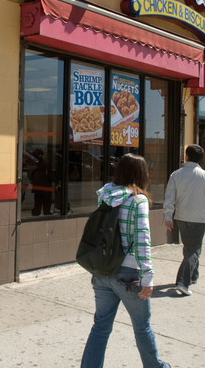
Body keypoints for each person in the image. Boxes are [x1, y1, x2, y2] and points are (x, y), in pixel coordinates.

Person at [81, 154, 171, 368]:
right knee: (142, 327)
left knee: (100, 326)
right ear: (142, 174)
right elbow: (142, 239)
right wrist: (147, 275)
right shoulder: (138, 200)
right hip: (128, 274)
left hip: (103, 271)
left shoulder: (105, 195)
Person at [163, 144, 205, 296]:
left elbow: (169, 197)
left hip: (181, 217)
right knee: (194, 249)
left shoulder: (176, 175)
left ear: (186, 156)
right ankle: (183, 282)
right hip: (199, 218)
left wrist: (168, 216)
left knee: (189, 248)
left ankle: (193, 275)